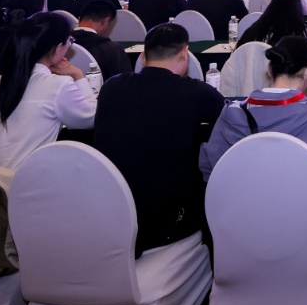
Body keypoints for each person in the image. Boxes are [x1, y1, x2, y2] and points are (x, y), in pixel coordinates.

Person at [93, 23, 225, 256]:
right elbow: (224, 114)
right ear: (184, 53)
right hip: (167, 220)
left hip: (112, 212)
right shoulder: (196, 92)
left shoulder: (111, 87)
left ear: (143, 57)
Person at [199, 36, 307, 191]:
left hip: (239, 205)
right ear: (306, 73)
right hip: (303, 204)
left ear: (269, 70)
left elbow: (211, 172)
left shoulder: (231, 114)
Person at [0, 12, 96, 169]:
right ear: (58, 48)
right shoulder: (58, 85)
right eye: (69, 41)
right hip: (21, 181)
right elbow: (90, 118)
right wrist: (78, 75)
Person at [72, 0, 131, 80]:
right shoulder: (112, 49)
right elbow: (125, 82)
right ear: (106, 21)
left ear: (80, 19)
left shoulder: (61, 44)